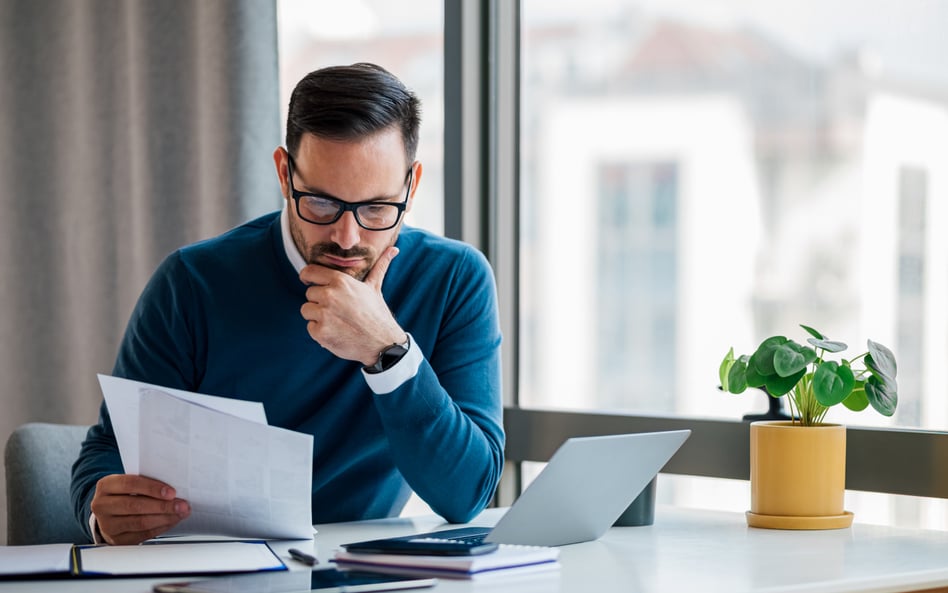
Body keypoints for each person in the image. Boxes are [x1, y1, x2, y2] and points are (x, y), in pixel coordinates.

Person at [70, 63, 505, 546]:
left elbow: (467, 494)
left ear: (411, 185)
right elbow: (107, 452)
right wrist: (102, 508)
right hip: (217, 569)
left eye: (377, 208)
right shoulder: (193, 283)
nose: (348, 237)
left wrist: (388, 353)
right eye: (321, 203)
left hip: (362, 570)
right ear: (284, 173)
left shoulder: (455, 278)